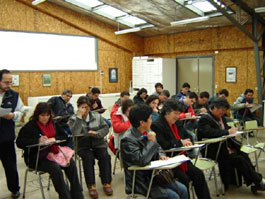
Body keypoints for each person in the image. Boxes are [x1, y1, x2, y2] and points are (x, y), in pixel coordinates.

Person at [16, 102, 83, 199]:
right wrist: (37, 141)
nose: (45, 118)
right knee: (55, 168)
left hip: (54, 154)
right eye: (42, 115)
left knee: (71, 164)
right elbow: (19, 142)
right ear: (37, 115)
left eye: (47, 115)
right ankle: (65, 196)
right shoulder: (30, 126)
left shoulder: (53, 123)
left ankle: (77, 195)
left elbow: (64, 136)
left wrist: (54, 139)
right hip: (37, 158)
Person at [197, 98, 265, 192]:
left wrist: (233, 129)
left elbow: (225, 128)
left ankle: (255, 182)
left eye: (225, 110)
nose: (224, 112)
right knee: (239, 159)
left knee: (243, 155)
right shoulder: (205, 119)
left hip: (225, 147)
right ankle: (258, 181)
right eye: (222, 110)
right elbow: (210, 132)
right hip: (213, 149)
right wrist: (227, 131)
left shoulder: (221, 118)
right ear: (215, 108)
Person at [120, 104, 188, 199]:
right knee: (174, 197)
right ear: (142, 122)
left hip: (156, 176)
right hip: (141, 182)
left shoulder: (147, 130)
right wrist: (151, 142)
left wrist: (161, 155)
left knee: (183, 189)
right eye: (150, 118)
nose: (152, 121)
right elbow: (141, 160)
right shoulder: (127, 140)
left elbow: (158, 147)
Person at [151, 99, 211, 199]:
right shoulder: (157, 125)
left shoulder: (177, 123)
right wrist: (180, 142)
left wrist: (189, 141)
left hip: (182, 158)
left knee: (198, 174)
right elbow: (163, 145)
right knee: (184, 179)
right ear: (167, 112)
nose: (177, 116)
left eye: (179, 114)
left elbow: (187, 135)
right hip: (169, 161)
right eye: (175, 113)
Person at [69, 96, 112, 199]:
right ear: (78, 107)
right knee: (88, 159)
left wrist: (97, 133)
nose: (85, 110)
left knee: (105, 156)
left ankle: (106, 182)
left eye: (87, 107)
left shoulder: (97, 116)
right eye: (82, 107)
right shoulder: (73, 118)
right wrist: (79, 118)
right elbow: (75, 133)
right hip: (83, 146)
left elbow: (105, 127)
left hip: (98, 143)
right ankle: (91, 185)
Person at [0, 69, 24, 198]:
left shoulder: (14, 95)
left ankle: (14, 189)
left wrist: (13, 115)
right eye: (6, 82)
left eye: (11, 82)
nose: (9, 85)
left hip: (6, 137)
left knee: (10, 166)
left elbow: (21, 110)